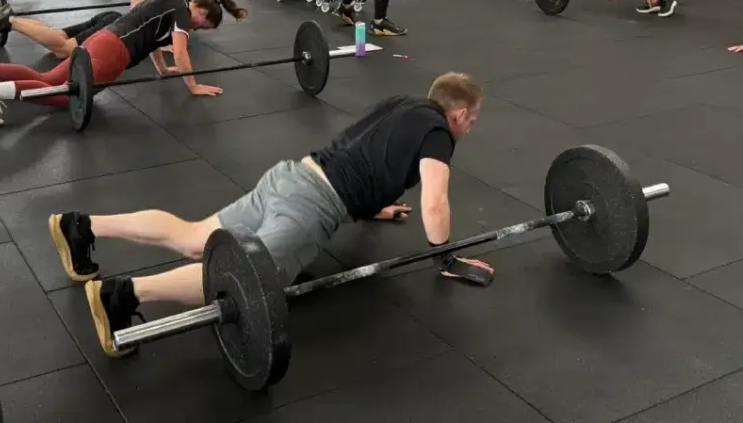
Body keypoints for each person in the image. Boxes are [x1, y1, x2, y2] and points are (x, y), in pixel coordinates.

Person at [46, 72, 490, 357]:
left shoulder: (403, 103)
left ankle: (81, 226)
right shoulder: (439, 133)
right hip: (312, 206)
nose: (471, 128)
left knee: (194, 237)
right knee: (245, 279)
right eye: (472, 121)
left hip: (293, 175)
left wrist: (371, 205)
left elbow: (369, 154)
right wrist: (446, 258)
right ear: (458, 113)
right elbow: (435, 201)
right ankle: (121, 297)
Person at [0, 0, 247, 127]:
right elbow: (180, 51)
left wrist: (161, 68)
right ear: (201, 12)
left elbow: (143, 21)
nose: (197, 29)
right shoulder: (182, 12)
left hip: (103, 37)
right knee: (61, 96)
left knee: (47, 79)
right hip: (114, 53)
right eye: (202, 25)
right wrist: (193, 86)